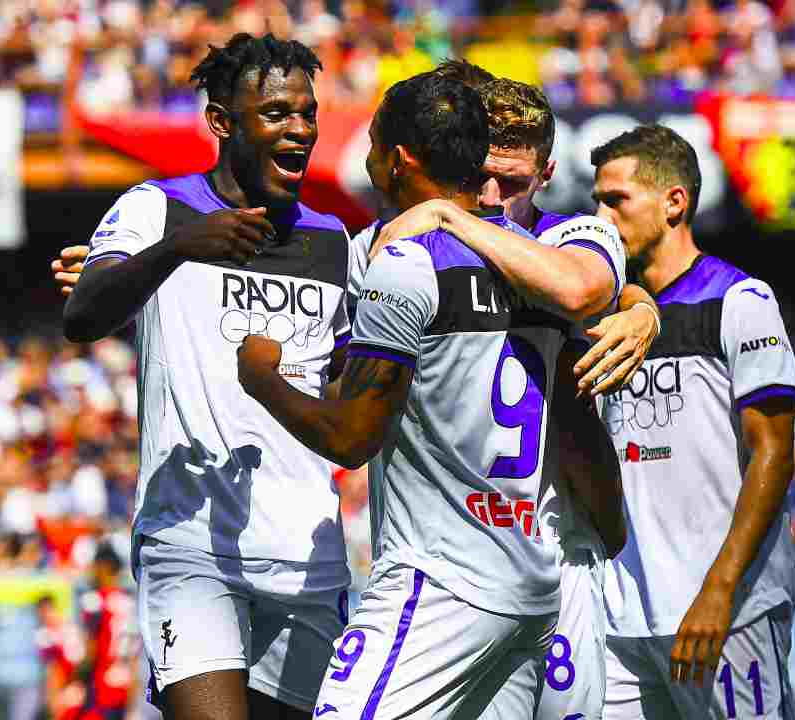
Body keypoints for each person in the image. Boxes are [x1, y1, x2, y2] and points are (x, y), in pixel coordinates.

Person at [235, 70, 623, 719]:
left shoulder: (402, 259)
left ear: (397, 160)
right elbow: (594, 290)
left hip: (439, 581)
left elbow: (354, 438)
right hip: (528, 585)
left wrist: (261, 381)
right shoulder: (541, 256)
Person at [61, 33, 358, 720]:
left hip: (306, 553)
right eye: (278, 113)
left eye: (307, 113)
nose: (301, 129)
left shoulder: (332, 241)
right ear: (223, 122)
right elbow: (83, 316)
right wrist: (175, 249)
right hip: (190, 547)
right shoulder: (155, 210)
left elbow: (341, 391)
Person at [368, 67, 661, 720]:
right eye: (482, 178)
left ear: (548, 174)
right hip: (439, 563)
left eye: (516, 183)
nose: (496, 196)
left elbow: (583, 289)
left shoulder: (573, 237)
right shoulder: (404, 250)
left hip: (561, 557)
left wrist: (643, 306)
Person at [586, 124, 795, 720]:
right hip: (623, 615)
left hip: (725, 612)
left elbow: (775, 454)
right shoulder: (603, 314)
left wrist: (719, 590)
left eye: (616, 200)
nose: (600, 216)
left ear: (674, 202)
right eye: (596, 200)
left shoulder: (740, 301)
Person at [71, 544, 138, 720]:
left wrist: (75, 678)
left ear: (104, 566)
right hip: (126, 682)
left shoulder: (95, 600)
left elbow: (91, 647)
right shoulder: (130, 603)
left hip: (101, 684)